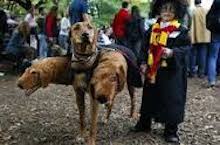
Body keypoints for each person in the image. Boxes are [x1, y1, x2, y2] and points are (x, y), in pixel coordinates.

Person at [131, 0, 190, 143]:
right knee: (149, 97)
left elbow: (187, 49)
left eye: (171, 10)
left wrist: (172, 52)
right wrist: (143, 62)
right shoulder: (152, 29)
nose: (167, 12)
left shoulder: (180, 30)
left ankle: (171, 131)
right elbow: (144, 48)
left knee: (171, 99)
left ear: (177, 12)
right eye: (164, 9)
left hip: (171, 73)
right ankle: (144, 123)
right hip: (153, 71)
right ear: (159, 10)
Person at [190, 0, 211, 78]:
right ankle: (201, 73)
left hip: (194, 35)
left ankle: (192, 72)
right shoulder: (206, 10)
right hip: (205, 36)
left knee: (193, 54)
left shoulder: (193, 11)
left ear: (195, 3)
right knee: (203, 54)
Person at [206, 0, 220, 87]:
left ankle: (212, 80)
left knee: (212, 56)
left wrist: (211, 28)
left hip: (216, 33)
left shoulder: (216, 2)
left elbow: (208, 17)